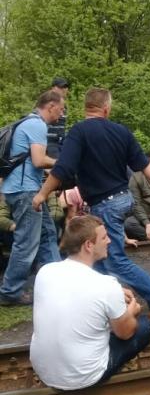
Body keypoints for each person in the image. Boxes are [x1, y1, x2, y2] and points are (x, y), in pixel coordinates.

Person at [33, 88, 150, 320]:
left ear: (85, 107)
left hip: (107, 204)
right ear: (106, 108)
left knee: (114, 260)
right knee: (97, 259)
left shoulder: (78, 132)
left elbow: (63, 169)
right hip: (119, 200)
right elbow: (142, 164)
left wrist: (41, 194)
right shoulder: (121, 131)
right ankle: (100, 305)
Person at [30, 215, 150, 389]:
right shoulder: (106, 285)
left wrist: (114, 295)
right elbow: (125, 334)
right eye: (104, 237)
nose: (109, 241)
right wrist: (131, 311)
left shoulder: (45, 271)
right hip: (84, 376)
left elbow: (75, 292)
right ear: (88, 245)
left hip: (43, 370)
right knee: (144, 326)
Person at [0, 90, 64, 306]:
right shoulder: (37, 124)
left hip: (23, 189)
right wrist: (61, 164)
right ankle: (9, 292)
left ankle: (58, 283)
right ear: (51, 106)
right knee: (26, 244)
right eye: (61, 109)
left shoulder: (26, 122)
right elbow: (37, 160)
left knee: (47, 234)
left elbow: (29, 161)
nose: (62, 113)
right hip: (25, 191)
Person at [46, 77, 70, 158]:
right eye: (61, 87)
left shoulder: (63, 105)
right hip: (49, 142)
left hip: (61, 142)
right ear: (53, 88)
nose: (64, 89)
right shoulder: (47, 102)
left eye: (65, 87)